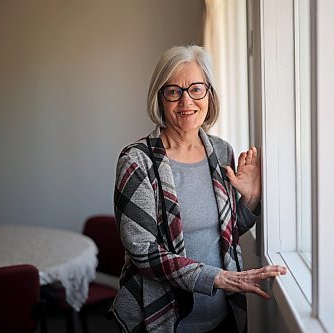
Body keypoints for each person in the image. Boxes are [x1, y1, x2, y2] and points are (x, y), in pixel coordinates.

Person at [111, 45, 287, 333]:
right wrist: (219, 279)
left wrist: (252, 199)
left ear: (209, 94)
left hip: (221, 315)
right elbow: (142, 251)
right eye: (174, 91)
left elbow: (223, 234)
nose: (186, 101)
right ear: (160, 97)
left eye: (196, 89)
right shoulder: (136, 161)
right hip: (160, 318)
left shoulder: (221, 151)